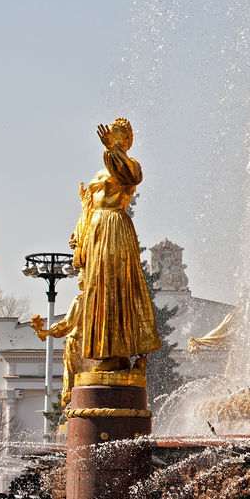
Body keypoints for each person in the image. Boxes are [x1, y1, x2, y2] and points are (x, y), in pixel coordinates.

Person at [73, 118, 160, 372]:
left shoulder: (129, 166)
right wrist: (81, 242)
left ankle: (118, 352)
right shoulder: (99, 173)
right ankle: (105, 351)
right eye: (113, 134)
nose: (115, 138)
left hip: (115, 227)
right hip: (97, 230)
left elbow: (129, 176)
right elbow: (88, 208)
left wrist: (112, 150)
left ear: (128, 141)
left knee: (114, 285)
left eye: (121, 136)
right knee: (97, 289)